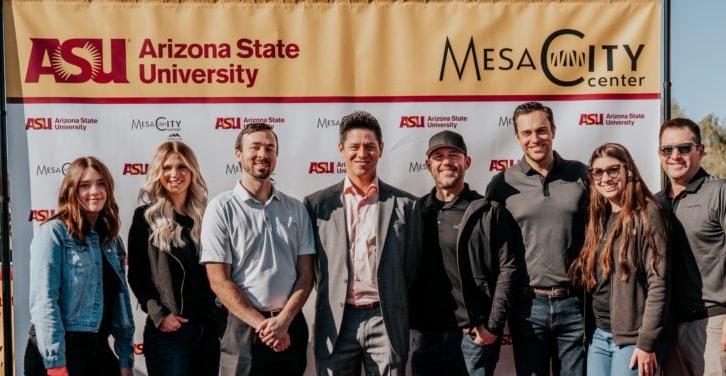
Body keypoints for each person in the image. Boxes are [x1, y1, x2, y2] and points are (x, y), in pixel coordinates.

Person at [304, 110, 422, 375]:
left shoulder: (406, 205)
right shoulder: (317, 205)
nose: (362, 154)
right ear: (341, 149)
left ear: (380, 149)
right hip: (336, 321)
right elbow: (313, 269)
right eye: (354, 147)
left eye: (369, 147)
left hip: (386, 319)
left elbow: (411, 267)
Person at [200, 123, 315, 376]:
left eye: (270, 148)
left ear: (276, 156)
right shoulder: (221, 209)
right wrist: (266, 327)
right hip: (242, 330)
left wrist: (283, 322)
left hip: (290, 327)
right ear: (238, 154)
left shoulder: (296, 209)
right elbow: (219, 281)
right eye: (255, 147)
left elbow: (306, 275)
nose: (263, 154)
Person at [485, 101, 589, 375]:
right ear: (517, 137)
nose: (535, 138)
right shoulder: (502, 183)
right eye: (527, 133)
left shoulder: (581, 174)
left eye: (541, 130)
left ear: (553, 130)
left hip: (575, 305)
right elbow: (489, 248)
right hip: (527, 307)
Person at [410, 130, 518, 376]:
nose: (446, 162)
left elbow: (508, 268)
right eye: (438, 156)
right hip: (427, 337)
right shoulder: (416, 212)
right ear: (428, 165)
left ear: (466, 162)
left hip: (474, 337)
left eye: (453, 155)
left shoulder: (488, 211)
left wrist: (493, 325)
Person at [656, 118, 726, 376]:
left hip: (715, 325)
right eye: (667, 149)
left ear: (700, 151)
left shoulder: (723, 192)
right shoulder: (657, 203)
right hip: (669, 329)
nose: (675, 156)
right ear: (659, 154)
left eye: (684, 148)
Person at [25, 157, 135, 376]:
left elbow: (121, 305)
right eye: (85, 185)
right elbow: (44, 302)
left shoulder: (111, 240)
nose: (94, 191)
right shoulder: (54, 233)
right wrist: (56, 364)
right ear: (71, 190)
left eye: (101, 183)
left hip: (98, 350)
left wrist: (125, 360)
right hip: (59, 352)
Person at [569, 143, 670, 376]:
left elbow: (659, 282)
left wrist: (647, 342)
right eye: (598, 172)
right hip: (598, 337)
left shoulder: (647, 214)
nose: (606, 178)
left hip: (633, 339)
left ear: (629, 171)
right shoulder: (599, 217)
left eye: (613, 170)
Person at [127, 141, 221, 375]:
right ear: (158, 172)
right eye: (167, 167)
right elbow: (137, 275)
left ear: (192, 172)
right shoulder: (145, 218)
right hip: (170, 334)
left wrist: (219, 319)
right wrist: (160, 315)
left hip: (207, 331)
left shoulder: (206, 216)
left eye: (182, 167)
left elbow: (220, 272)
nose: (174, 174)